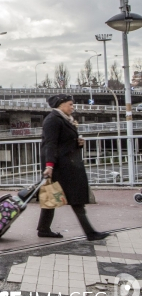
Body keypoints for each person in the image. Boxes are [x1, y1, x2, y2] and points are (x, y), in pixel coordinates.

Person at [38, 94, 109, 241]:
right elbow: (50, 144)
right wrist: (49, 166)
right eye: (70, 104)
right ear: (60, 105)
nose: (72, 107)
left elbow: (62, 143)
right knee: (76, 199)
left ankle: (44, 229)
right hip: (61, 167)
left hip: (65, 164)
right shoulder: (52, 120)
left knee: (51, 196)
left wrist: (77, 143)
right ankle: (90, 233)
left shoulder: (63, 120)